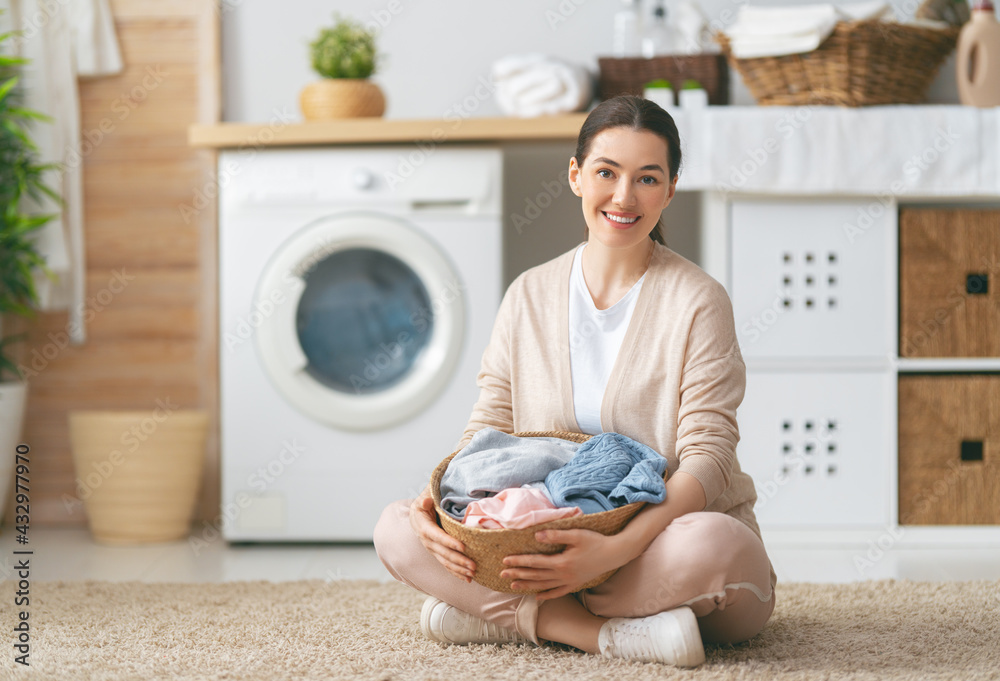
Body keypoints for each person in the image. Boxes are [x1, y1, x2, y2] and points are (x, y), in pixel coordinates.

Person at [374, 94, 775, 667]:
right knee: (395, 528)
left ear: (670, 189)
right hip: (539, 542)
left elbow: (708, 456)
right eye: (606, 173)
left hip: (656, 543)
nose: (623, 196)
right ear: (576, 175)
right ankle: (598, 632)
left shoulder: (698, 300)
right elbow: (489, 429)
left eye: (647, 178)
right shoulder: (529, 294)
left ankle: (505, 615)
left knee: (715, 545)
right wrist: (438, 503)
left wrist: (616, 545)